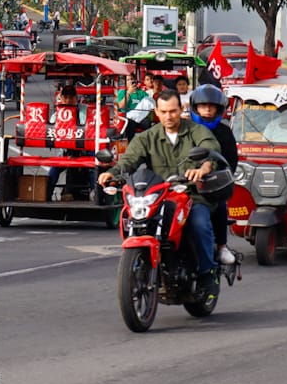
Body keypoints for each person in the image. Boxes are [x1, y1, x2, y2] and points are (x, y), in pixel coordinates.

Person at [98, 90, 223, 297]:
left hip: (191, 195)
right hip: (158, 197)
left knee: (199, 223)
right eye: (163, 111)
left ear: (181, 110)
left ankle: (207, 274)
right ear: (156, 112)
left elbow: (210, 149)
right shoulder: (147, 137)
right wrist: (112, 173)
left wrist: (204, 167)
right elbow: (130, 160)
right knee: (137, 222)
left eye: (173, 111)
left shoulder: (197, 131)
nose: (168, 116)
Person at [190, 84, 238, 265]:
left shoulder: (224, 132)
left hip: (213, 183)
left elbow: (231, 161)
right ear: (195, 107)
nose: (207, 109)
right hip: (185, 182)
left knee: (218, 205)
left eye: (211, 106)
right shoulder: (186, 127)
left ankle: (222, 247)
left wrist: (218, 178)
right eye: (203, 106)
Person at [47, 86, 92, 200]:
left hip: (85, 150)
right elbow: (51, 127)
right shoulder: (57, 113)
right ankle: (46, 193)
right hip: (65, 152)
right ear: (61, 98)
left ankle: (95, 192)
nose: (68, 100)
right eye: (65, 97)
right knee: (54, 168)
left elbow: (88, 128)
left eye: (71, 97)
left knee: (94, 167)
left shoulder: (85, 110)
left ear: (76, 98)